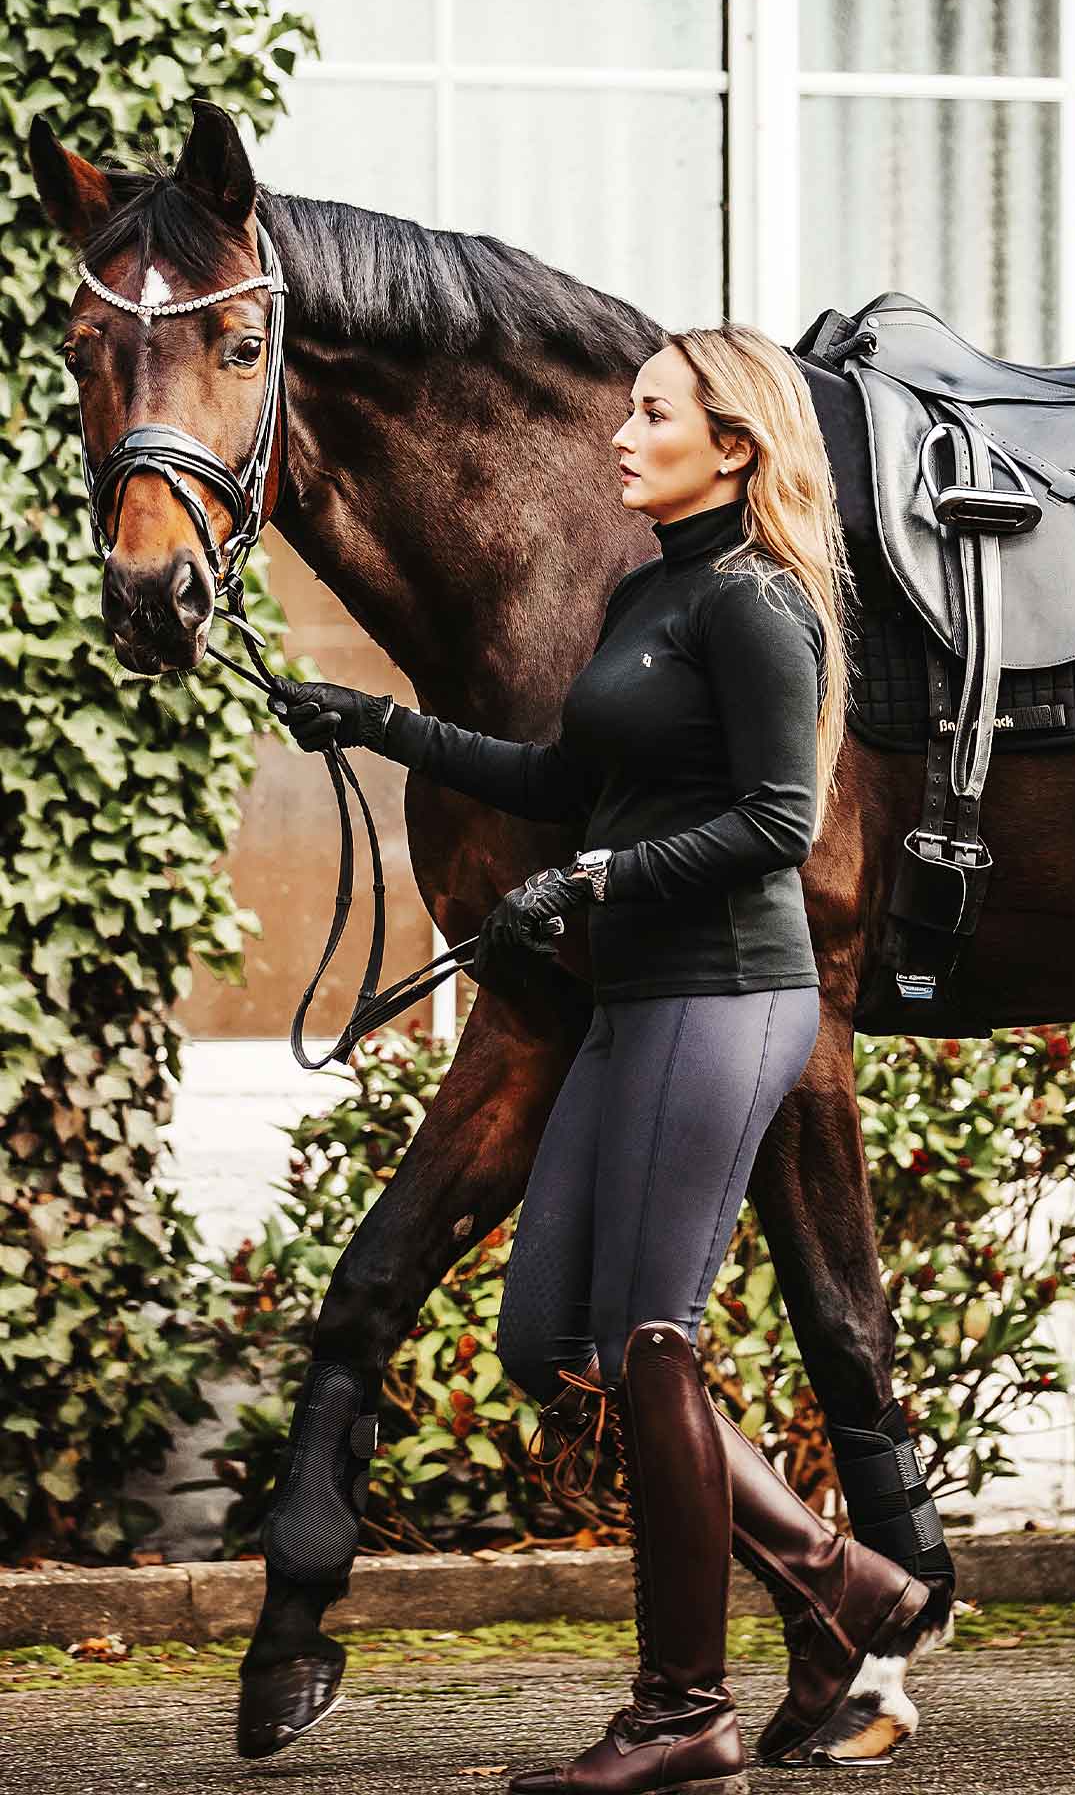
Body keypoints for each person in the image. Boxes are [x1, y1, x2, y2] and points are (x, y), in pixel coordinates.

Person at [268, 325, 929, 1793]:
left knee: (648, 1340)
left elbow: (775, 822)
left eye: (652, 414)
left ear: (736, 446)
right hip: (639, 1003)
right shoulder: (648, 592)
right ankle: (853, 1583)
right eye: (626, 410)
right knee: (547, 1342)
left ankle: (679, 1714)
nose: (619, 435)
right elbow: (571, 784)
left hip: (727, 996)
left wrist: (594, 884)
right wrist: (379, 725)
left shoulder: (761, 605)